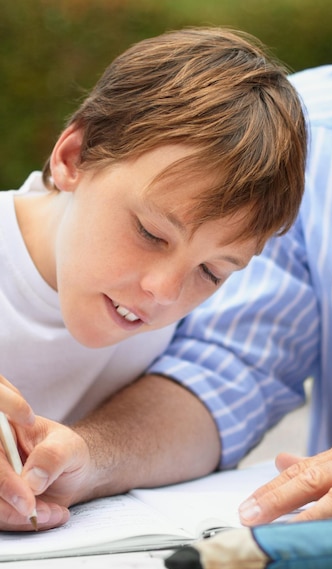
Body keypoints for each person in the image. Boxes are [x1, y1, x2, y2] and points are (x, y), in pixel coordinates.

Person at [0, 27, 307, 531]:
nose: (165, 293)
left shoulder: (182, 316)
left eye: (211, 271)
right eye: (149, 233)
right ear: (74, 157)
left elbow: (205, 410)